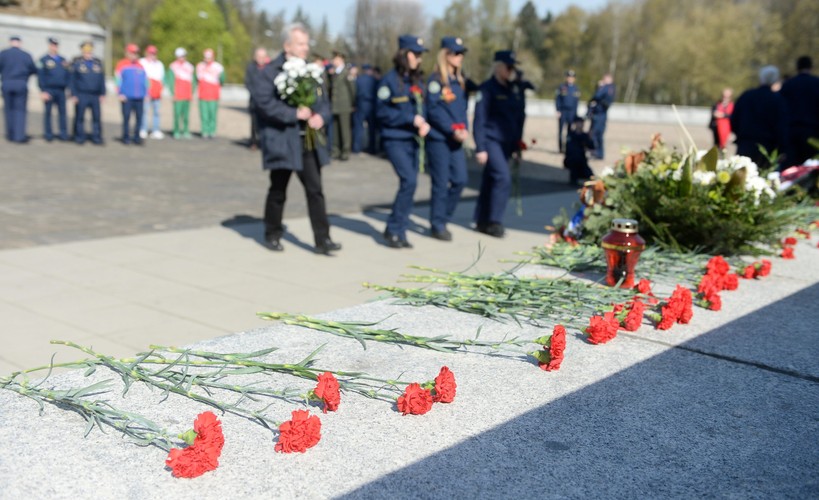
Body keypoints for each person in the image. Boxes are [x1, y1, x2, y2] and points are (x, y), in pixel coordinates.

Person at [253, 23, 341, 256]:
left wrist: (320, 116)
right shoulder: (271, 71)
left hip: (307, 141)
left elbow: (324, 102)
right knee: (278, 189)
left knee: (315, 190)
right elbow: (263, 103)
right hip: (284, 140)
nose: (306, 48)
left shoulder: (312, 70)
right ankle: (272, 233)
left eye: (306, 43)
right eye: (301, 43)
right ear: (287, 45)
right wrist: (293, 114)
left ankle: (323, 239)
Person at [376, 34, 430, 248]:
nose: (419, 59)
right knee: (409, 181)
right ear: (404, 54)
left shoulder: (416, 80)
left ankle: (397, 229)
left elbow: (421, 107)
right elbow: (381, 112)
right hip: (394, 139)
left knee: (410, 184)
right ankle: (395, 228)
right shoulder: (389, 81)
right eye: (416, 54)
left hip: (412, 140)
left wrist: (423, 121)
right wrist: (411, 119)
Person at [472, 50, 526, 238]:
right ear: (498, 67)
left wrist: (518, 146)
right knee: (503, 178)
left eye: (513, 67)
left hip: (507, 143)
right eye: (509, 67)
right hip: (491, 140)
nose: (511, 71)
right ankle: (495, 221)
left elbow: (519, 118)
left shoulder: (513, 90)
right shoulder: (487, 89)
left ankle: (482, 220)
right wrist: (480, 147)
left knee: (490, 180)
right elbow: (479, 119)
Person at [425, 36, 470, 241]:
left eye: (461, 53)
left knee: (460, 180)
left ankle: (443, 216)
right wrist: (452, 129)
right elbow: (434, 111)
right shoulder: (436, 81)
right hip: (439, 139)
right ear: (446, 55)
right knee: (441, 183)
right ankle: (437, 224)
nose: (460, 57)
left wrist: (465, 129)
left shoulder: (459, 81)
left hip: (456, 139)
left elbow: (462, 110)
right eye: (456, 53)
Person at [731, 65, 789, 171]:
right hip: (767, 149)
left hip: (745, 145)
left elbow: (734, 119)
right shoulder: (777, 100)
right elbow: (782, 127)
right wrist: (783, 149)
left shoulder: (746, 96)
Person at [780, 56, 819, 165]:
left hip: (792, 133)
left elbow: (781, 110)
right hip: (813, 133)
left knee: (792, 169)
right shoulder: (816, 83)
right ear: (811, 67)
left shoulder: (788, 85)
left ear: (797, 67)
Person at [0, 35, 37, 143]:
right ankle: (19, 135)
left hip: (7, 82)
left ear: (10, 42)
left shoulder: (3, 54)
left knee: (8, 109)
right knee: (20, 110)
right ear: (20, 43)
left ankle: (10, 134)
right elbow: (34, 69)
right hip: (21, 83)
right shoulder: (26, 55)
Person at [69, 40, 106, 145]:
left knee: (96, 117)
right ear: (82, 52)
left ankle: (97, 137)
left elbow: (101, 80)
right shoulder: (77, 64)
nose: (88, 54)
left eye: (90, 52)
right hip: (81, 94)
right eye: (86, 52)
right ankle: (79, 137)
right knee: (79, 117)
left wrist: (103, 94)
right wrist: (74, 95)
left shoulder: (97, 64)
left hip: (95, 95)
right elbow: (72, 81)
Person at [37, 37, 70, 142]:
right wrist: (43, 91)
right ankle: (48, 134)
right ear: (49, 46)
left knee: (63, 113)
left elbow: (68, 75)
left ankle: (63, 134)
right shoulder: (43, 60)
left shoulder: (63, 60)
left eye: (56, 45)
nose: (54, 47)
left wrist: (69, 89)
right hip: (49, 90)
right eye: (52, 45)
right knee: (48, 113)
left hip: (61, 90)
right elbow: (40, 77)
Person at [115, 43, 147, 145]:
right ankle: (126, 137)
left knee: (139, 118)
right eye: (132, 53)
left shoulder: (140, 65)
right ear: (127, 53)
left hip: (139, 97)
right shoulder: (121, 64)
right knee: (126, 118)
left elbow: (145, 81)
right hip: (127, 97)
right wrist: (120, 93)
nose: (134, 55)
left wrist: (146, 93)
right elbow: (117, 80)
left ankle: (137, 137)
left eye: (136, 53)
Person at [329, 51, 355, 161]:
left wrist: (353, 104)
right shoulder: (334, 72)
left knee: (344, 130)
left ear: (341, 60)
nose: (333, 61)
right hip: (335, 105)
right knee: (335, 130)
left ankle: (345, 151)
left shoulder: (346, 72)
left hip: (344, 105)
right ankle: (336, 150)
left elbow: (352, 90)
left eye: (335, 59)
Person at [166, 47, 195, 139]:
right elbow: (170, 81)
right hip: (178, 95)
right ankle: (176, 131)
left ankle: (186, 131)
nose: (182, 58)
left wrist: (191, 93)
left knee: (186, 115)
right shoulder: (173, 66)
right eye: (180, 56)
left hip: (187, 95)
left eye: (183, 56)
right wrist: (173, 93)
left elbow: (193, 81)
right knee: (177, 115)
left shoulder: (190, 66)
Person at [196, 48, 224, 139]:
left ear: (213, 57)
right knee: (204, 115)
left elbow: (222, 79)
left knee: (212, 115)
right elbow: (196, 79)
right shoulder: (199, 66)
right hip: (203, 95)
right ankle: (204, 131)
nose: (207, 59)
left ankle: (212, 131)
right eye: (206, 57)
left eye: (209, 57)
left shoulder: (218, 67)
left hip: (214, 95)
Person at [245, 47, 269, 150]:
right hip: (254, 101)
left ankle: (265, 143)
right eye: (259, 56)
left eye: (263, 56)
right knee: (254, 123)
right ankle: (253, 142)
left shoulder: (269, 69)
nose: (261, 59)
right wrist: (257, 95)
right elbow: (248, 83)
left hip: (267, 102)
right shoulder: (251, 68)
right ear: (255, 57)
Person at [139, 45, 165, 139]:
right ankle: (143, 129)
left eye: (154, 53)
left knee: (156, 112)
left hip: (156, 92)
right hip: (146, 91)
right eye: (151, 53)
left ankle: (156, 130)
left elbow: (161, 79)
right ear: (147, 53)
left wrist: (160, 90)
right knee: (145, 111)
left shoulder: (159, 64)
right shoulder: (142, 62)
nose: (152, 55)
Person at [587, 73, 615, 159]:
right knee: (598, 134)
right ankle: (599, 153)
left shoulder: (608, 87)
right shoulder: (610, 88)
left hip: (600, 114)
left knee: (595, 134)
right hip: (600, 113)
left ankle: (596, 152)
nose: (603, 80)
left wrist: (600, 87)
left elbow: (597, 95)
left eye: (605, 79)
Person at [352, 63, 378, 154]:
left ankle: (356, 147)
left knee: (358, 127)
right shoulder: (374, 80)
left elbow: (354, 93)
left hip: (361, 104)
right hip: (371, 105)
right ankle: (372, 148)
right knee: (372, 128)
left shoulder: (358, 80)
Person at [564, 117, 595, 184]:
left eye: (582, 123)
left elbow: (591, 147)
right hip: (572, 159)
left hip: (581, 160)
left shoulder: (584, 136)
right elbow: (568, 149)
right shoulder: (571, 135)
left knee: (589, 175)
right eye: (579, 123)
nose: (580, 125)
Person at [555, 69, 580, 153]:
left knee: (570, 132)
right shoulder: (562, 87)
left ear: (574, 79)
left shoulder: (576, 89)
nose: (570, 79)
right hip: (563, 111)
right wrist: (558, 110)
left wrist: (575, 115)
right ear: (566, 78)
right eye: (569, 77)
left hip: (571, 113)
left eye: (572, 77)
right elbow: (557, 99)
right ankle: (560, 148)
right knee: (561, 131)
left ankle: (568, 148)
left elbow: (576, 103)